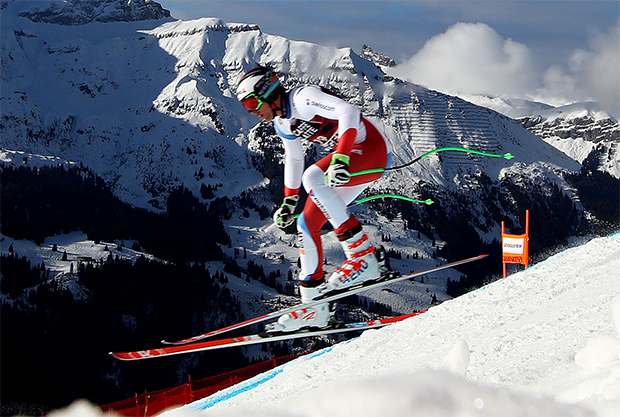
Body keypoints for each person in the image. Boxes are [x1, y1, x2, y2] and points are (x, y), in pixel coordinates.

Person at [236, 66, 391, 333]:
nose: (252, 111)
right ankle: (314, 307)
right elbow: (293, 157)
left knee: (312, 177)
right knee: (306, 223)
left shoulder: (302, 98)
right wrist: (289, 201)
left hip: (370, 151)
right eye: (246, 107)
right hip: (351, 160)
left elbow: (349, 112)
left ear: (269, 93)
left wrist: (341, 156)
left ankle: (363, 256)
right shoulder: (282, 121)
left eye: (253, 103)